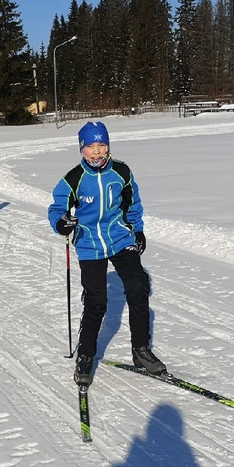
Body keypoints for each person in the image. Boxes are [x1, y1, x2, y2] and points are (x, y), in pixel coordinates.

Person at [48, 120, 166, 386]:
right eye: (90, 146)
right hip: (89, 243)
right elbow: (57, 208)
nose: (97, 151)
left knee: (138, 287)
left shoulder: (121, 172)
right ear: (81, 149)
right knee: (97, 302)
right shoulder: (73, 179)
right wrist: (60, 223)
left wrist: (137, 230)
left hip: (119, 237)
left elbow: (132, 202)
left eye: (101, 145)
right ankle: (86, 355)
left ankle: (141, 350)